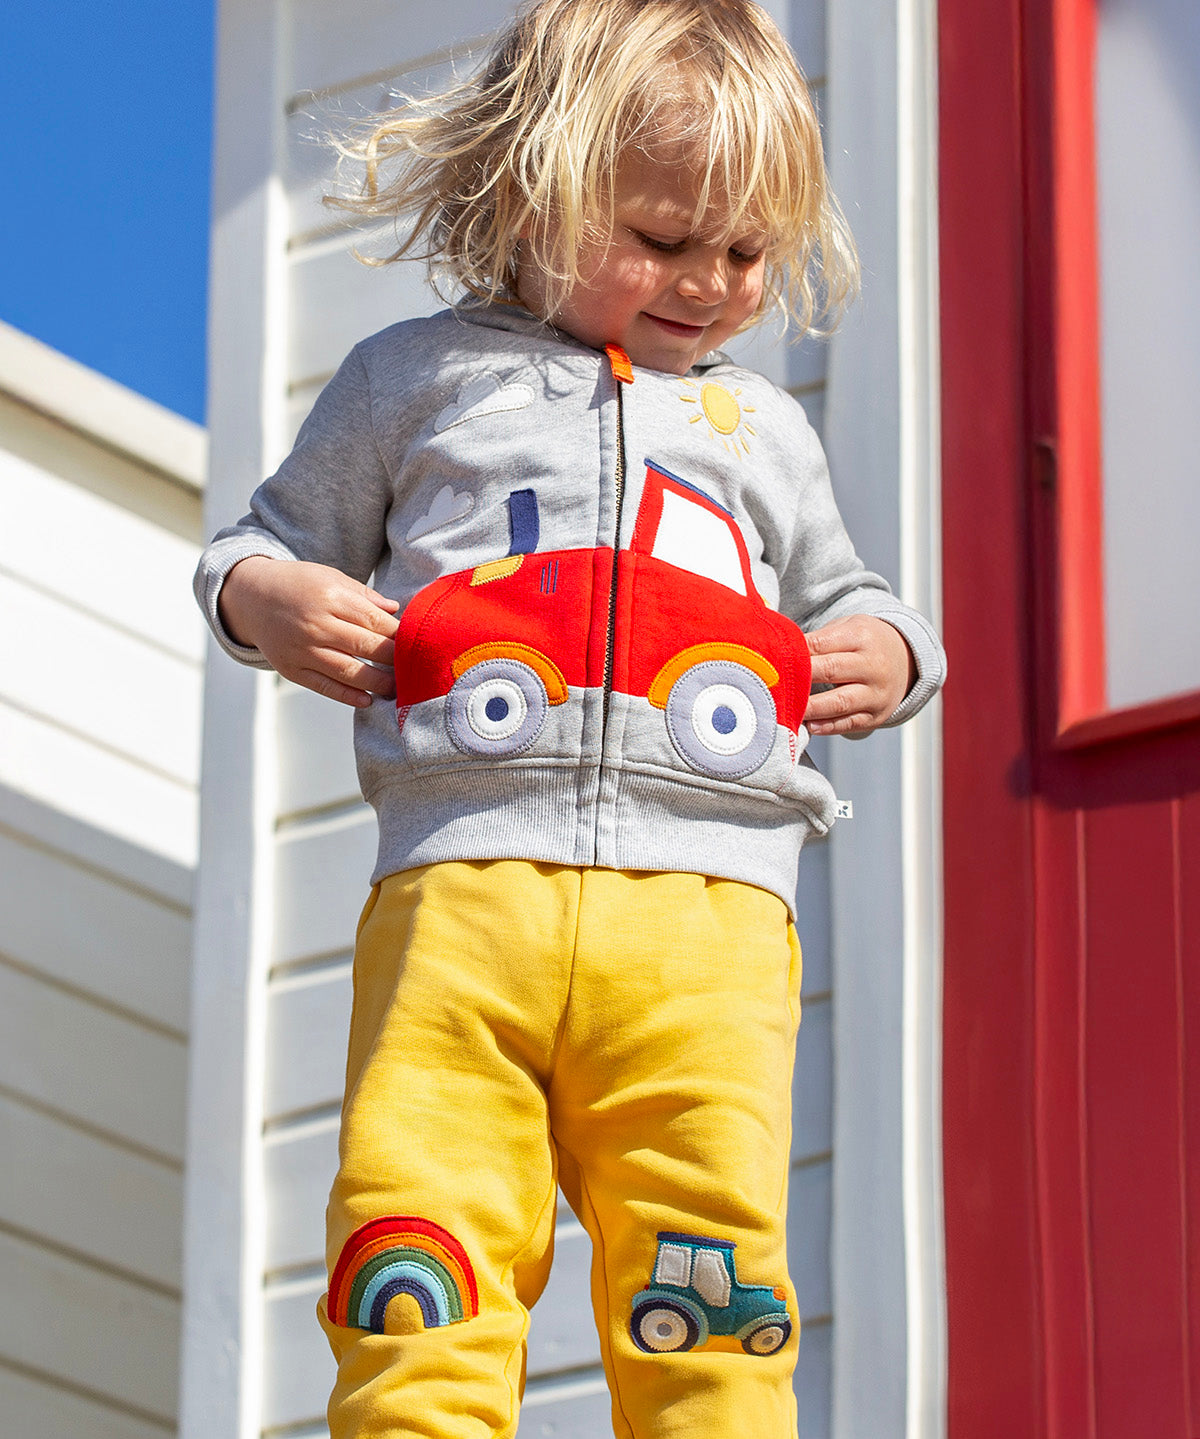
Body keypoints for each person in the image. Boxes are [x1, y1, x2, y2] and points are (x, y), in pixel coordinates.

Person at [194, 0, 946, 1434]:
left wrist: (896, 653)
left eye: (747, 253)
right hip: (460, 905)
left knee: (710, 1268)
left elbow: (852, 594)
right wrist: (265, 598)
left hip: (709, 930)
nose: (708, 283)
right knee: (421, 1227)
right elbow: (261, 544)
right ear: (531, 188)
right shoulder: (411, 380)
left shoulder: (759, 429)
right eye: (661, 239)